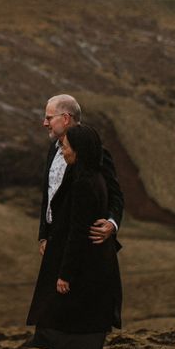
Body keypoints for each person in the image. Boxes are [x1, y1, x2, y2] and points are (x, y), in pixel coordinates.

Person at [27, 124, 123, 349]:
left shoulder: (84, 181)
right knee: (83, 323)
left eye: (67, 147)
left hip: (76, 261)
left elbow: (78, 231)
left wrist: (64, 274)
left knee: (49, 323)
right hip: (87, 261)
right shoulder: (88, 175)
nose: (62, 149)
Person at [38, 94, 124, 258]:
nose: (45, 123)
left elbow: (115, 193)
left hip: (84, 246)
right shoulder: (53, 150)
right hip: (54, 241)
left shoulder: (96, 152)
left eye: (49, 118)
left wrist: (112, 224)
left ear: (65, 118)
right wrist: (43, 235)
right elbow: (48, 195)